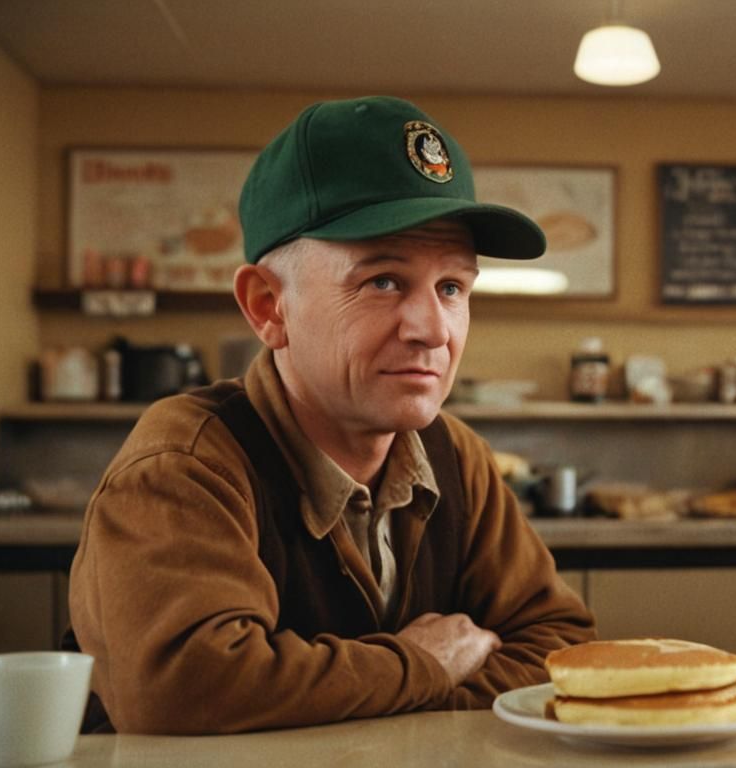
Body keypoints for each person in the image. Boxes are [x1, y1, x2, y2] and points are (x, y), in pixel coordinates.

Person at [67, 96, 596, 734]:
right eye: (383, 282)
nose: (433, 330)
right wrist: (423, 663)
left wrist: (388, 696)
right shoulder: (186, 463)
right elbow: (181, 690)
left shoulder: (456, 456)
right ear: (268, 306)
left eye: (452, 287)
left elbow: (561, 648)